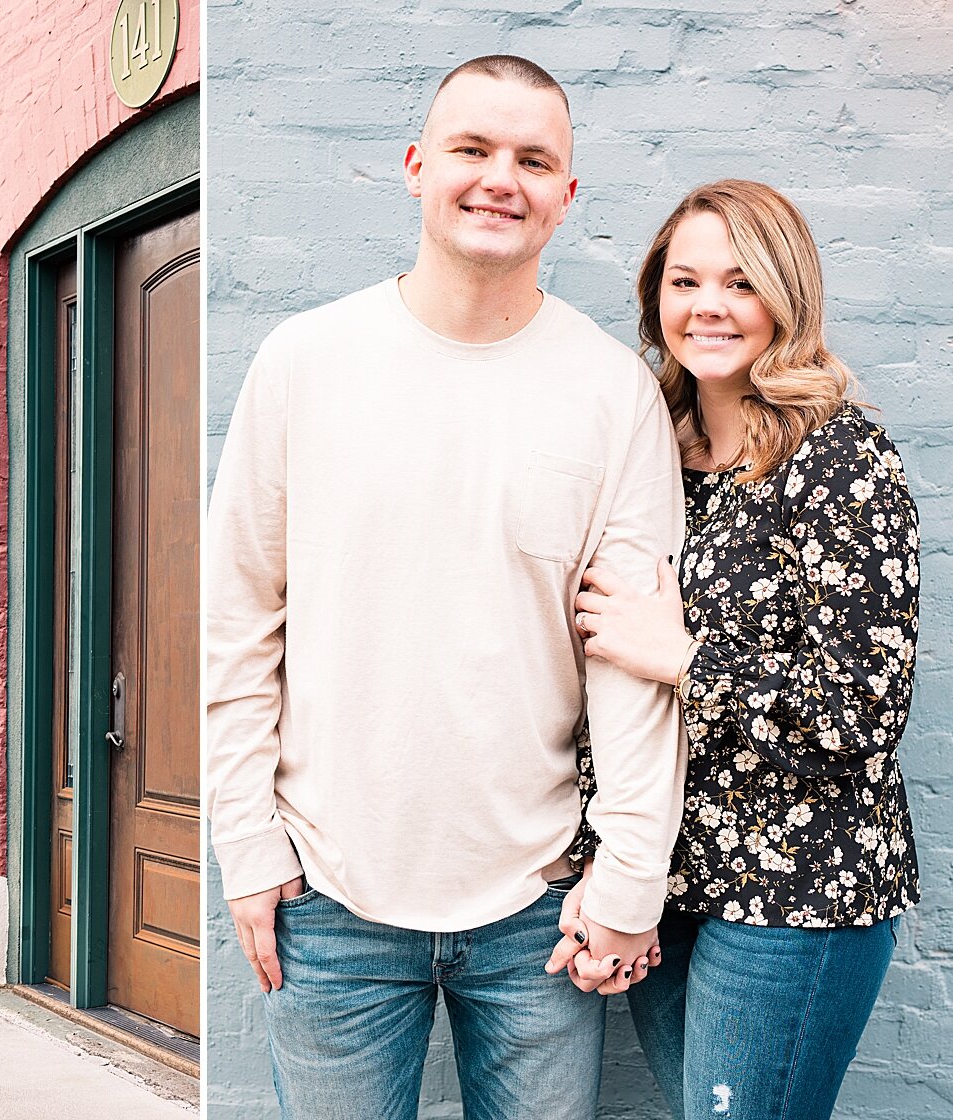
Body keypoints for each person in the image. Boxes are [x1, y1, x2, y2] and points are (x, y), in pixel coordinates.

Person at [207, 55, 686, 1119]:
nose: (498, 178)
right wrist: (246, 843)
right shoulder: (305, 363)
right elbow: (239, 622)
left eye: (533, 158)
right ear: (418, 166)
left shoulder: (612, 395)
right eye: (472, 149)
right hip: (327, 896)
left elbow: (634, 666)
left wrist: (630, 875)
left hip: (541, 907)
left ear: (568, 195)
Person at [550, 180, 919, 1120]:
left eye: (741, 282)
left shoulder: (840, 462)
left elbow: (862, 713)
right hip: (673, 883)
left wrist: (684, 657)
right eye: (685, 281)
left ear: (785, 298)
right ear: (655, 298)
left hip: (797, 896)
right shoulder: (653, 461)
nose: (708, 306)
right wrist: (605, 857)